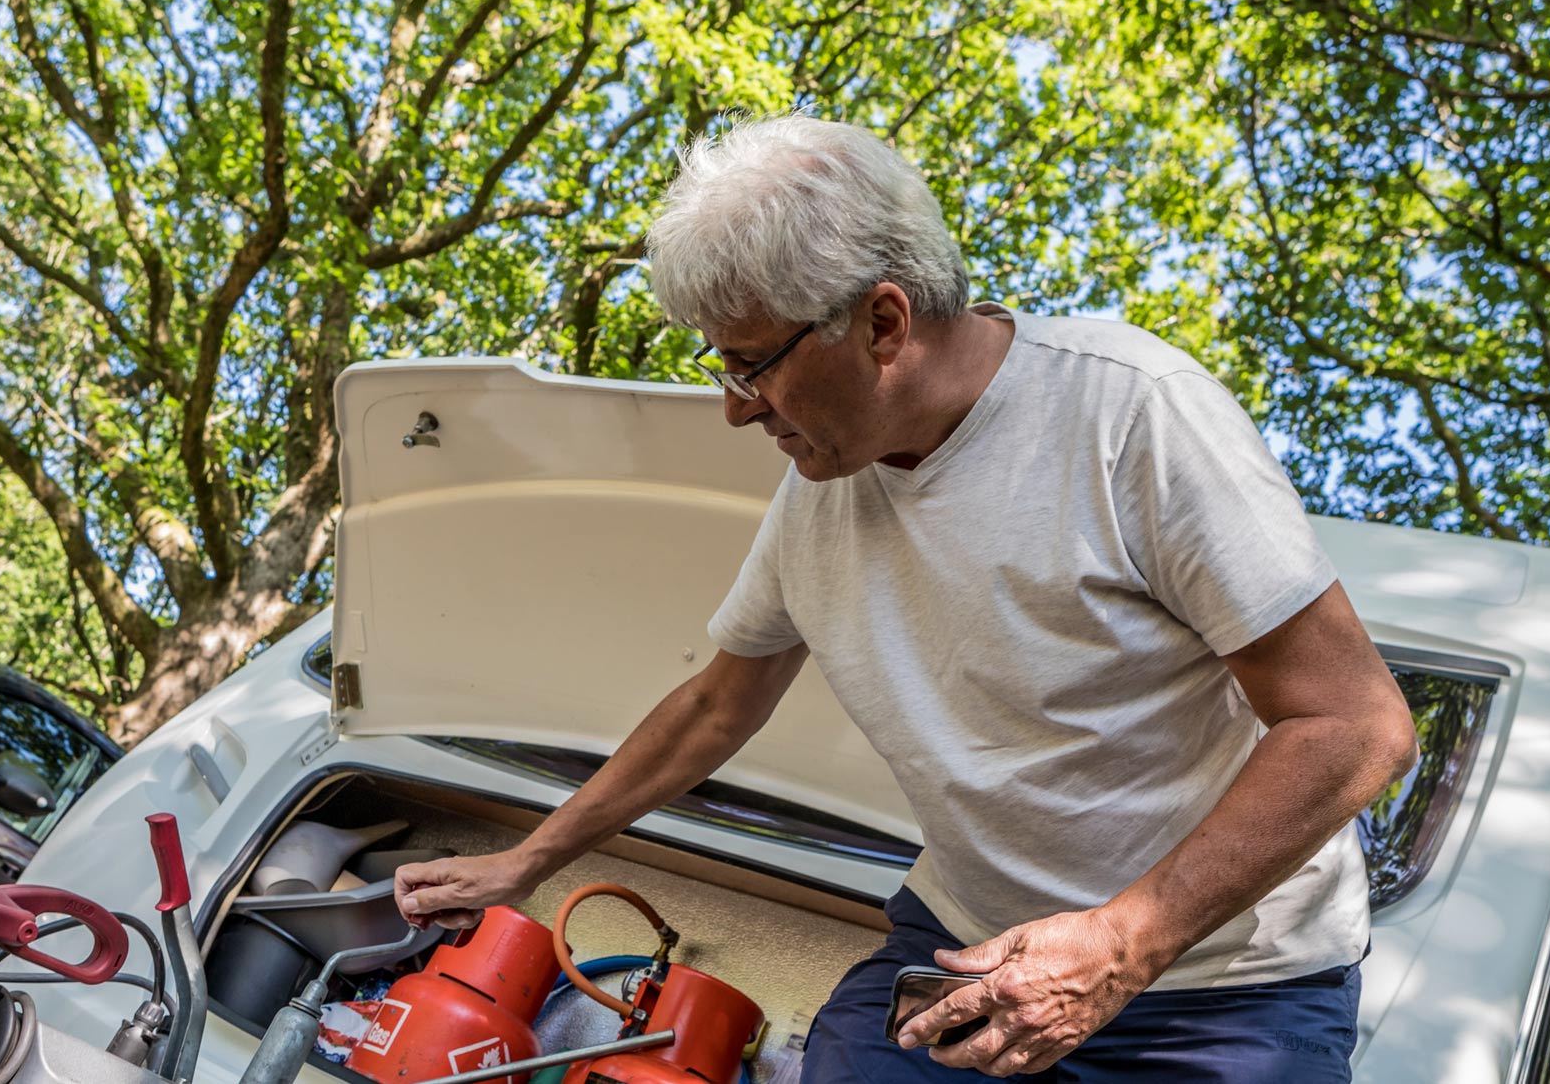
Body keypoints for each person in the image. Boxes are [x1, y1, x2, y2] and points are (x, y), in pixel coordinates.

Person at [392, 114, 1418, 1081]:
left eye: (750, 366)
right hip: (965, 940)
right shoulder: (816, 503)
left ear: (881, 322)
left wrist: (1117, 943)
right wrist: (524, 860)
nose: (732, 411)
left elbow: (1351, 726)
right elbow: (714, 706)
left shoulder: (1127, 415)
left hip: (1225, 990)